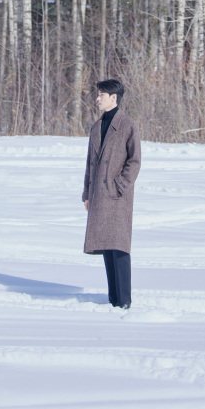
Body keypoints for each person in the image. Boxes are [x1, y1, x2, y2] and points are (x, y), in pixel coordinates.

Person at [82, 78, 141, 309]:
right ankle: (112, 298)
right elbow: (89, 163)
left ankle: (123, 300)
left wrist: (120, 185)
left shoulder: (127, 125)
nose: (97, 98)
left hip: (117, 196)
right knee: (107, 246)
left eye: (101, 95)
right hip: (98, 195)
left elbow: (135, 161)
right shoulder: (96, 127)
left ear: (113, 97)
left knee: (119, 247)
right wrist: (87, 194)